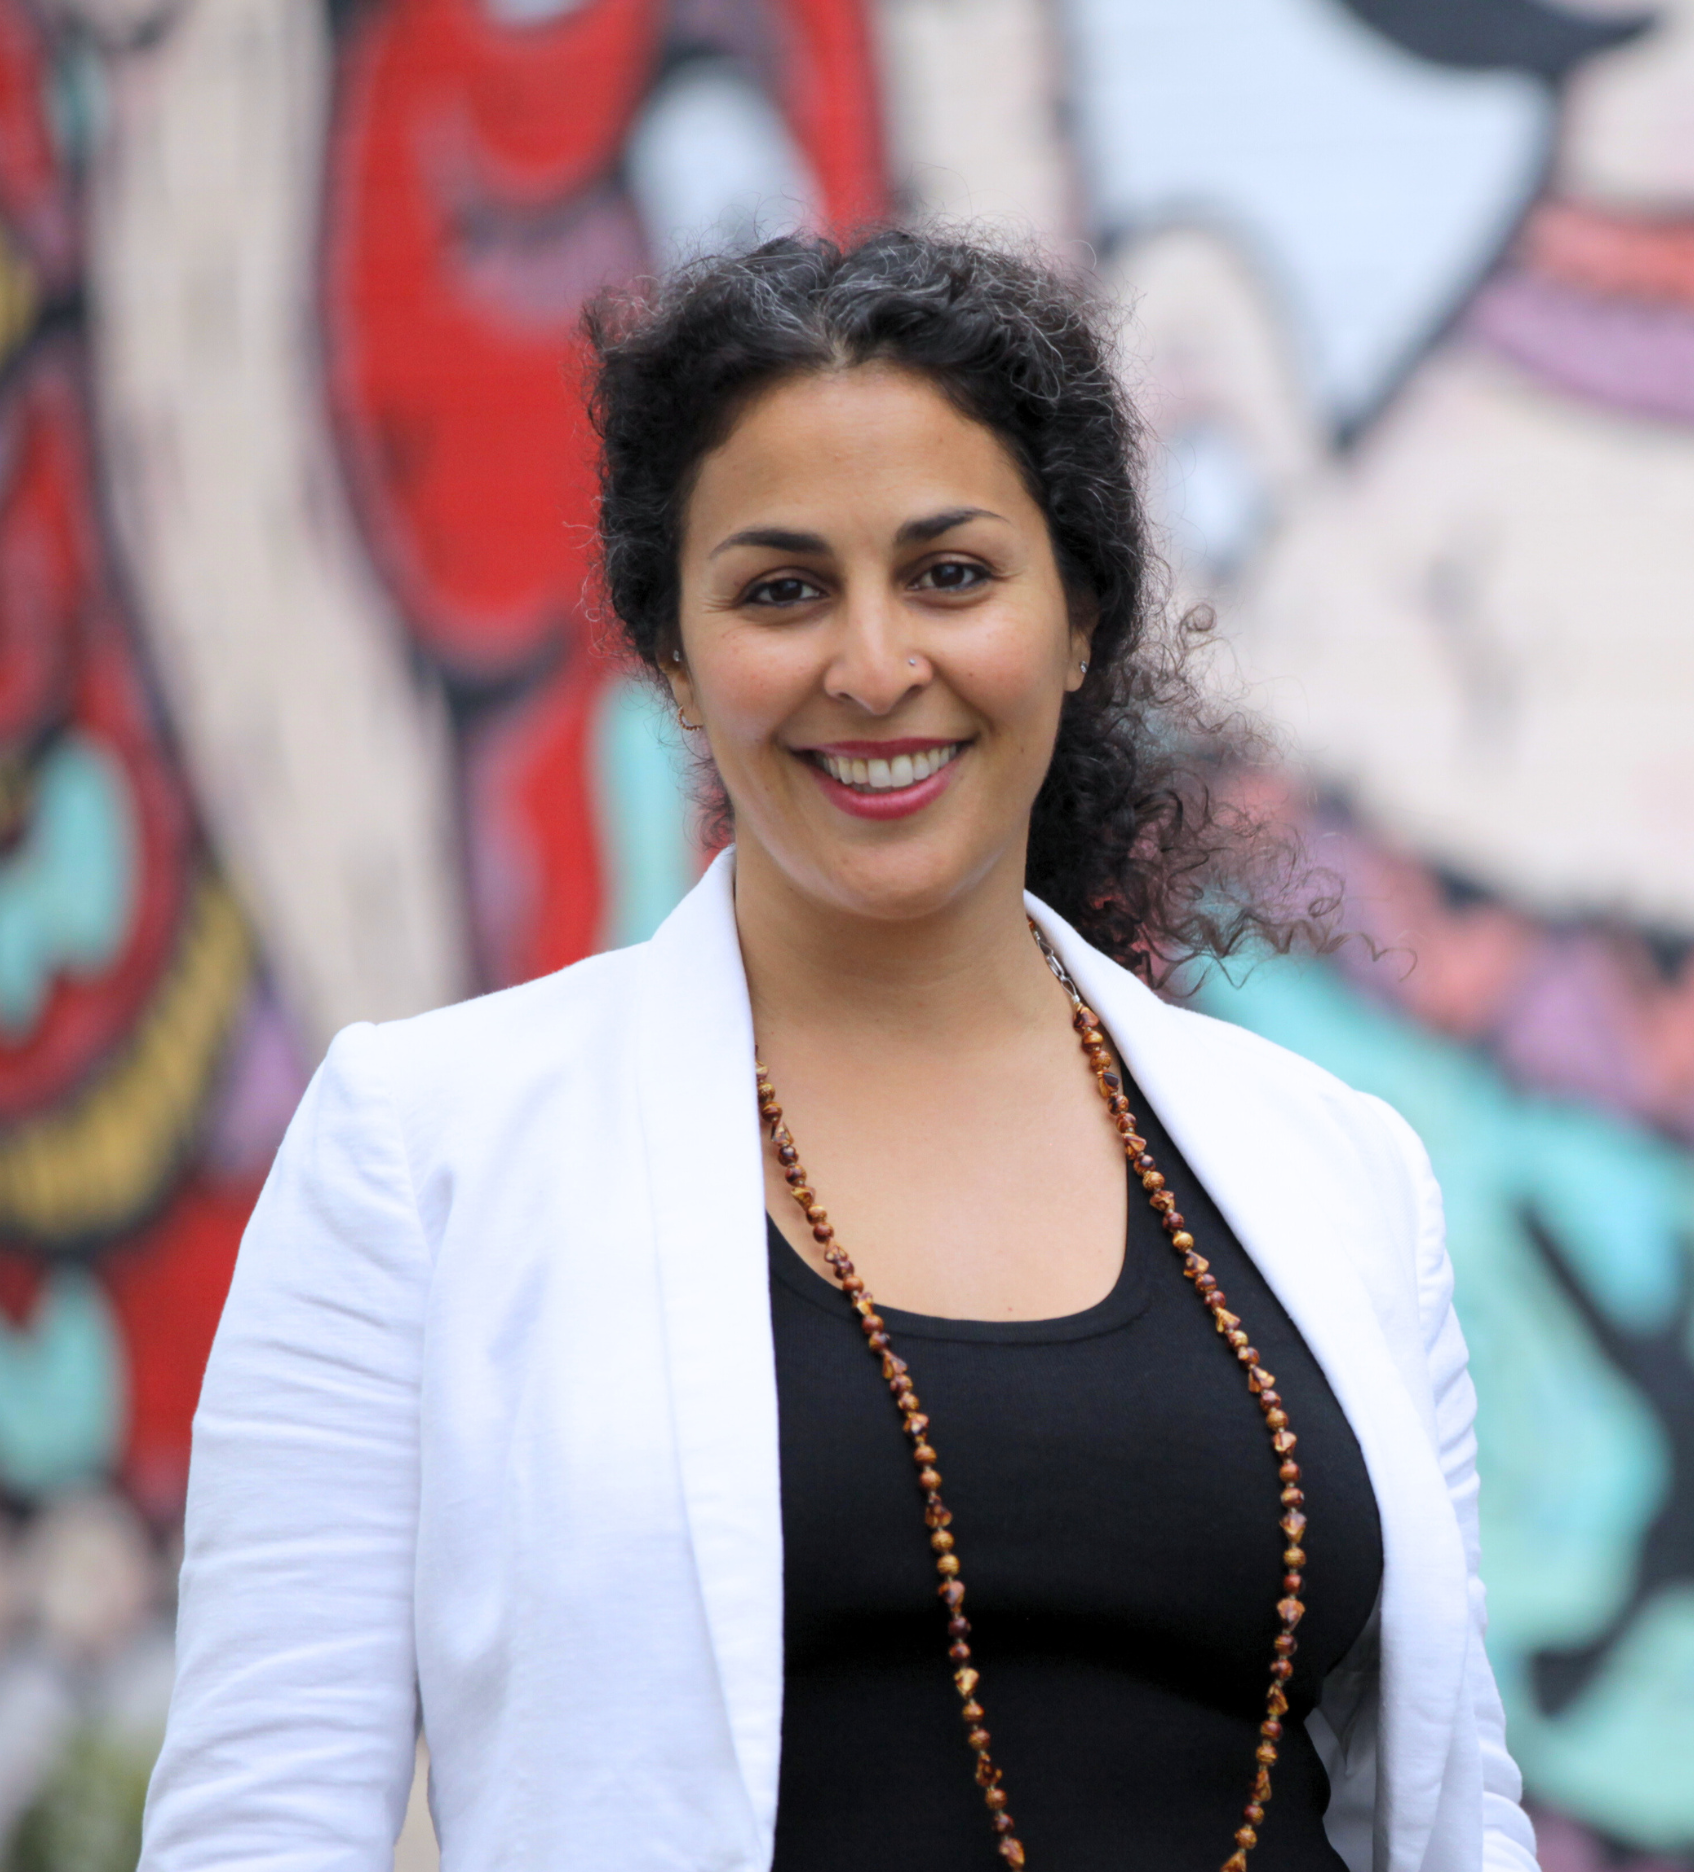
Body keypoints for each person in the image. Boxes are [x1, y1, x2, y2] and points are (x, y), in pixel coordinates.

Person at [139, 227, 1534, 1872]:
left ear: (1080, 618)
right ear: (673, 653)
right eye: (783, 589)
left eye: (951, 573)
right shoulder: (424, 1148)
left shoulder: (1336, 1173)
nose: (875, 669)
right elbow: (259, 1827)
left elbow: (1453, 1809)